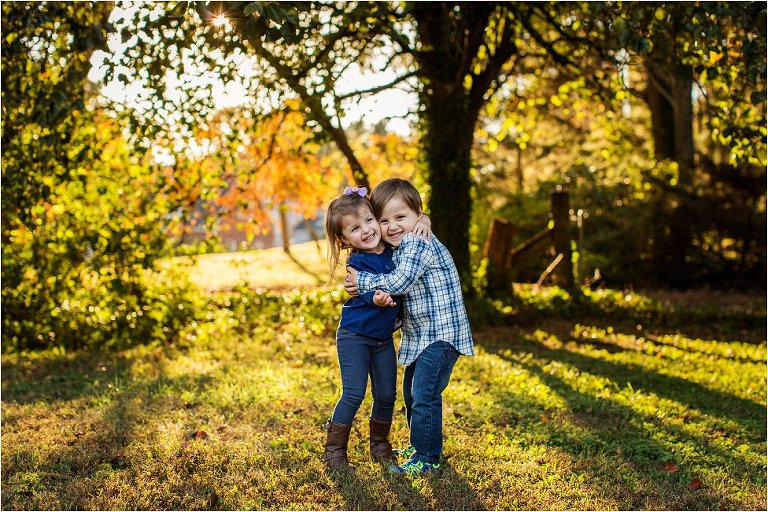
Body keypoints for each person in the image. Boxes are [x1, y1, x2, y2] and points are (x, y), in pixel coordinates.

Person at [345, 178, 474, 475]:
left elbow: (401, 282)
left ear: (417, 216)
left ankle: (427, 458)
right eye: (384, 220)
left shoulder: (416, 241)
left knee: (424, 394)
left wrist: (360, 282)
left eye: (400, 217)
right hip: (423, 335)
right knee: (412, 392)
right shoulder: (402, 243)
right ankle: (422, 445)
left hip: (441, 334)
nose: (391, 226)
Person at [322, 186, 431, 469]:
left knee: (386, 394)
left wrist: (425, 219)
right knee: (354, 392)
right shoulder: (358, 260)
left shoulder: (396, 248)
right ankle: (334, 450)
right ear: (345, 240)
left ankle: (380, 445)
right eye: (355, 228)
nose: (367, 230)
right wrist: (375, 296)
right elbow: (361, 285)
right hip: (354, 337)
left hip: (382, 340)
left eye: (369, 220)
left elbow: (409, 219)